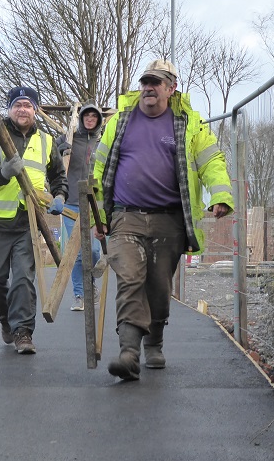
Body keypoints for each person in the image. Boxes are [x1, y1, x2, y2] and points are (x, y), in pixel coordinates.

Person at [93, 59, 234, 381]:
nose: (148, 88)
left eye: (156, 83)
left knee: (158, 287)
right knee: (129, 278)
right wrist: (98, 216)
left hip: (169, 220)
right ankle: (128, 352)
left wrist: (221, 195)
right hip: (126, 217)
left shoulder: (189, 124)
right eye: (145, 82)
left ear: (171, 89)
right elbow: (98, 169)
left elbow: (211, 161)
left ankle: (154, 341)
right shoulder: (121, 122)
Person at [0, 86, 68, 354]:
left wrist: (60, 195)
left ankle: (23, 332)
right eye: (17, 105)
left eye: (28, 105)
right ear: (9, 109)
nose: (22, 109)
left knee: (23, 280)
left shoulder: (47, 142)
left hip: (28, 222)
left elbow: (58, 177)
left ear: (35, 110)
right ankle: (5, 320)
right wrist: (4, 172)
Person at [55, 104, 104, 312]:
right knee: (76, 251)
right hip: (71, 203)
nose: (90, 119)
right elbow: (51, 160)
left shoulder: (103, 143)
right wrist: (59, 152)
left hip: (93, 204)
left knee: (92, 250)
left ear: (99, 120)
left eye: (94, 116)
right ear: (81, 118)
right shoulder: (70, 138)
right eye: (87, 115)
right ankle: (78, 295)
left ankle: (90, 281)